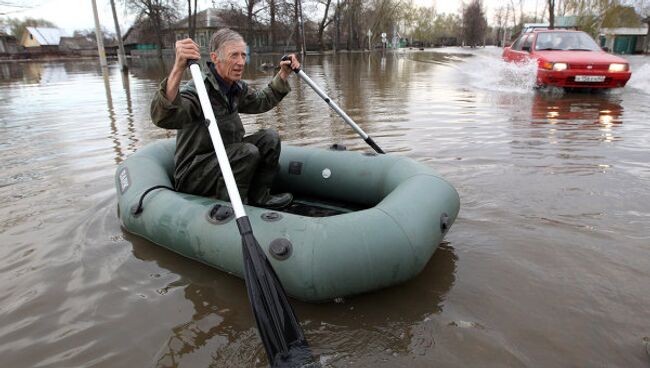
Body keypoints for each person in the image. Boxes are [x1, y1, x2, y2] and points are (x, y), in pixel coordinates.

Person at [150, 28, 300, 209]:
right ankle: (228, 208)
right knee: (247, 152)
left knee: (270, 138)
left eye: (243, 55)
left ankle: (260, 197)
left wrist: (283, 74)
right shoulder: (198, 90)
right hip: (195, 173)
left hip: (228, 158)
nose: (241, 62)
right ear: (215, 58)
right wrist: (178, 68)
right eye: (234, 55)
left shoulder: (235, 88)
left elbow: (261, 101)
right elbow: (165, 117)